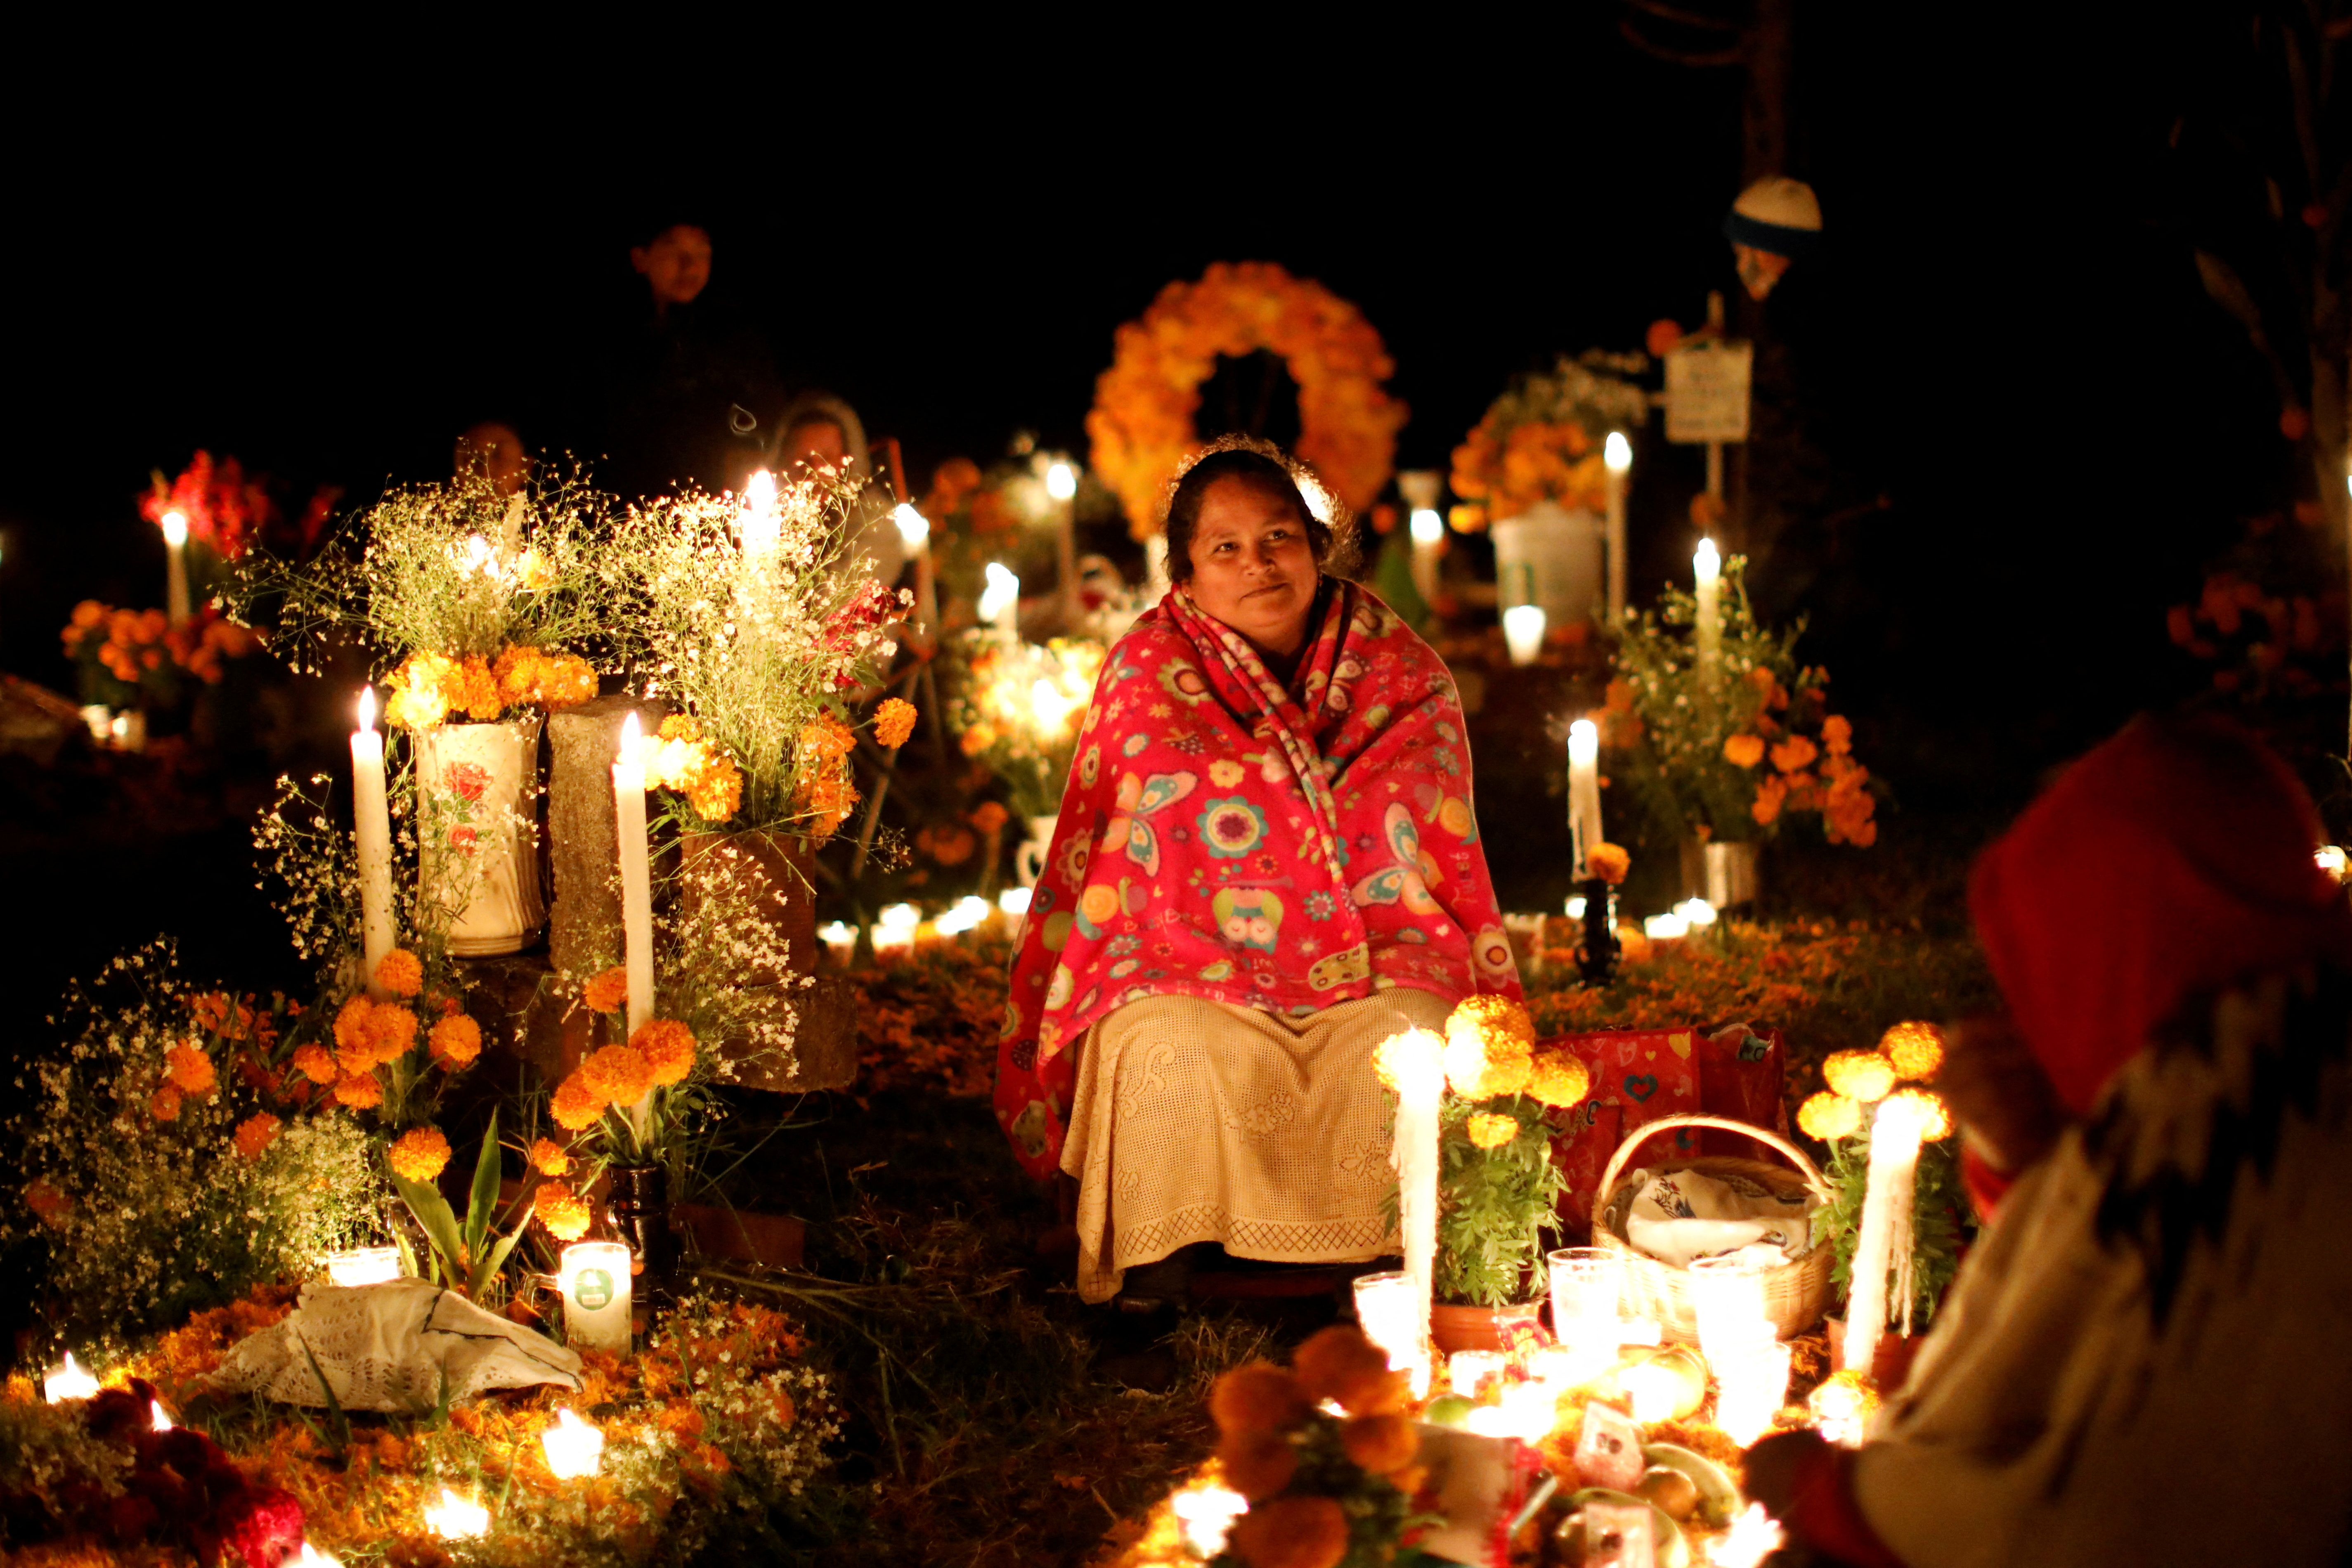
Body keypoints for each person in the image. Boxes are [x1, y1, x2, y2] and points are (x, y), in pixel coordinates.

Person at [1747, 715, 2352, 1567]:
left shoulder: (2231, 1111)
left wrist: (1834, 1499)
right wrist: (2030, 1155)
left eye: (2051, 966)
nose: (2032, 1012)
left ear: (2121, 944)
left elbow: (2077, 1514)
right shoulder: (2274, 1040)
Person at [991, 438, 1523, 1308]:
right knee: (1160, 1048)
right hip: (1186, 962)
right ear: (1187, 574)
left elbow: (1419, 836)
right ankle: (1162, 1271)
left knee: (1415, 1045)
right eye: (1224, 548)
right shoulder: (1144, 670)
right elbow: (1148, 845)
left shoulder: (1401, 672)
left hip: (1377, 955)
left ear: (1316, 545)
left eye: (1277, 536)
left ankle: (1408, 1261)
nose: (1257, 565)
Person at [601, 218, 778, 499]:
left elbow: (760, 419)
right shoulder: (609, 342)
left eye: (701, 253)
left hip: (710, 507)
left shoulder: (735, 340)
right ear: (640, 259)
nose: (690, 265)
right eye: (675, 252)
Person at [769, 392, 904, 589]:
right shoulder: (761, 519)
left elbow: (840, 598)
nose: (814, 469)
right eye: (803, 458)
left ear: (847, 461)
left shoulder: (873, 520)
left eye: (826, 457)